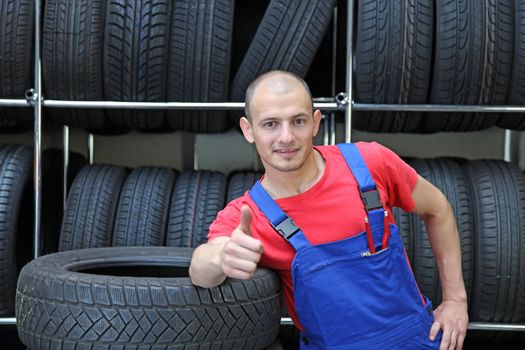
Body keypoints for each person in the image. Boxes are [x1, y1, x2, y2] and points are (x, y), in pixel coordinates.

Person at [189, 70, 468, 349]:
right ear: (248, 130)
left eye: (297, 121)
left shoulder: (369, 164)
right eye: (271, 124)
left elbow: (438, 209)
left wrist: (456, 299)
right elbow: (199, 269)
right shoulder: (248, 215)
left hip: (416, 341)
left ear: (315, 122)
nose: (286, 137)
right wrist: (222, 257)